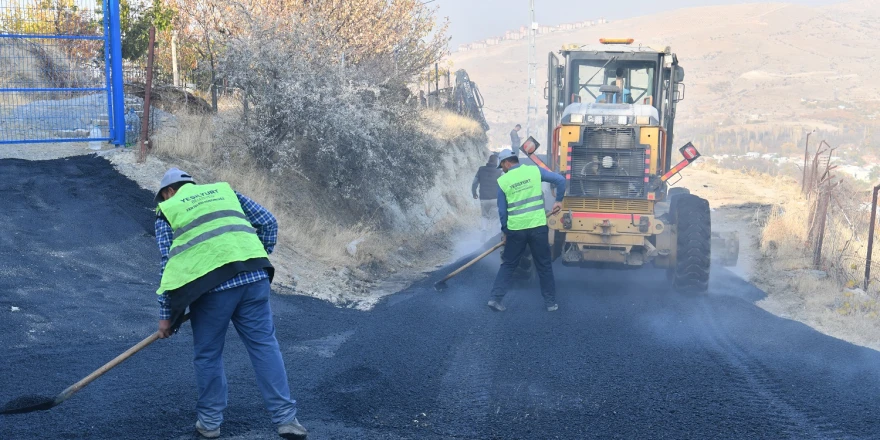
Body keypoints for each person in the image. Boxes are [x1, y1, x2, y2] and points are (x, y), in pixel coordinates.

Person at [152, 168, 308, 440]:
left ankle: (210, 424)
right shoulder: (224, 192)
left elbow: (168, 265)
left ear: (167, 192)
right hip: (254, 277)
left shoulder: (167, 209)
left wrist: (167, 316)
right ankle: (287, 420)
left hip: (210, 289)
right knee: (264, 346)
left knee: (208, 353)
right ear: (191, 184)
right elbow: (269, 221)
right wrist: (255, 254)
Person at [488, 150, 566, 312]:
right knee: (544, 265)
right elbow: (560, 179)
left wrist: (505, 231)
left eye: (502, 166)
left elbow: (502, 211)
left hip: (516, 230)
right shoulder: (534, 171)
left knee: (509, 264)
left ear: (506, 163)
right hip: (537, 227)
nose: (502, 169)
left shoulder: (503, 181)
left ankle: (495, 299)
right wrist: (558, 201)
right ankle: (550, 303)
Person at [472, 154, 503, 239]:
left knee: (484, 216)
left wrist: (474, 193)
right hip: (495, 199)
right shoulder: (499, 172)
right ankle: (493, 237)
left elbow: (475, 182)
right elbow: (504, 185)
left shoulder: (481, 169)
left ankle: (484, 231)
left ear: (489, 160)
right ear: (496, 162)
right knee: (494, 219)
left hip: (484, 198)